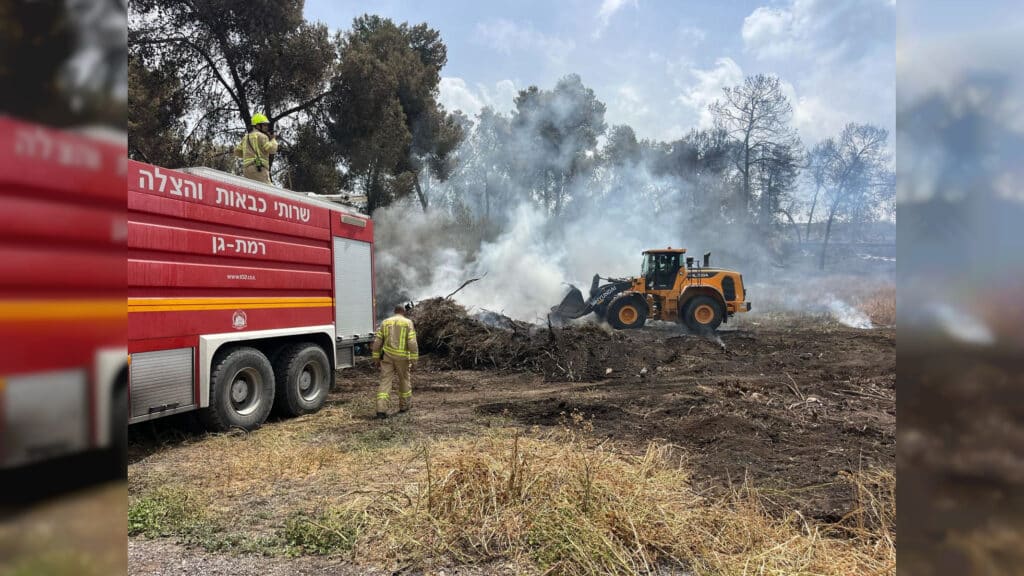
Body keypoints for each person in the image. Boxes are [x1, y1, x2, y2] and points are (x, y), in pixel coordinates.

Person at [371, 305, 419, 419]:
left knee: (385, 382)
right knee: (404, 381)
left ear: (395, 311)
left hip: (387, 357)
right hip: (402, 358)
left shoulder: (385, 322)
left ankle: (381, 410)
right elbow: (412, 343)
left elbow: (377, 342)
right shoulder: (408, 323)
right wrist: (414, 361)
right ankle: (404, 406)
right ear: (404, 311)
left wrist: (376, 359)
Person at [234, 113, 278, 184]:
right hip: (259, 169)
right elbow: (271, 150)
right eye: (264, 125)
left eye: (266, 125)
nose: (266, 127)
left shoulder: (246, 138)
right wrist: (273, 140)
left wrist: (248, 155)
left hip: (246, 170)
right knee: (267, 188)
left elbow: (237, 152)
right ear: (257, 125)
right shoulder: (262, 136)